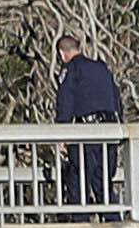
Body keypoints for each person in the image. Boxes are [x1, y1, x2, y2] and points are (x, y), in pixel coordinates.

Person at [53, 39, 126, 209]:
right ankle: (113, 224)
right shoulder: (101, 68)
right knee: (104, 185)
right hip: (110, 131)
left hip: (86, 134)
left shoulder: (71, 69)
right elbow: (117, 98)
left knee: (78, 183)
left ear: (62, 53)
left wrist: (61, 133)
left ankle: (81, 226)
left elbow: (65, 102)